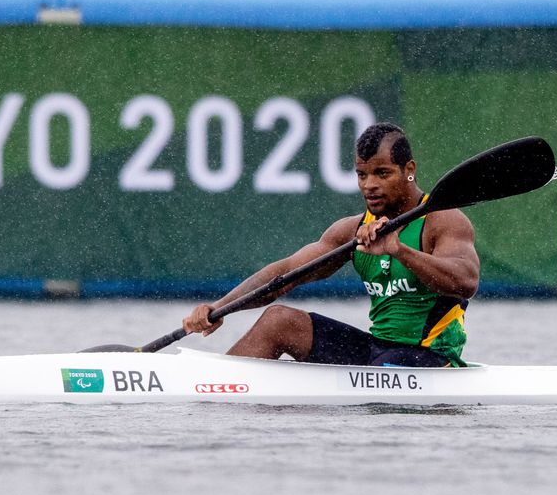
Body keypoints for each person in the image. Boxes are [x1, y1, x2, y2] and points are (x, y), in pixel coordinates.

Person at [181, 122, 479, 367]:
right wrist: (219, 308)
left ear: (409, 170)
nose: (369, 185)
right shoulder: (352, 230)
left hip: (430, 358)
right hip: (378, 351)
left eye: (382, 173)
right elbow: (283, 275)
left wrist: (399, 250)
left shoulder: (442, 221)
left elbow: (466, 281)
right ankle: (215, 387)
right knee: (279, 320)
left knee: (387, 363)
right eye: (361, 175)